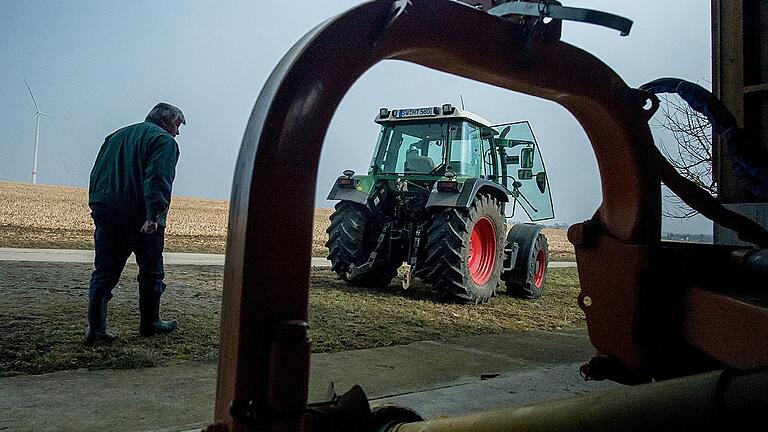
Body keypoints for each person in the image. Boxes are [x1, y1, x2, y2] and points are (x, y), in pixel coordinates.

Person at [85, 102, 185, 345]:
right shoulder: (164, 141)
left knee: (105, 271)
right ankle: (150, 323)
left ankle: (96, 329)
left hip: (105, 209)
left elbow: (97, 172)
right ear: (165, 121)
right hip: (139, 215)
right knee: (151, 270)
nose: (178, 132)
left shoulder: (115, 136)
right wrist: (153, 216)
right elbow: (158, 179)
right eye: (177, 125)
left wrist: (97, 205)